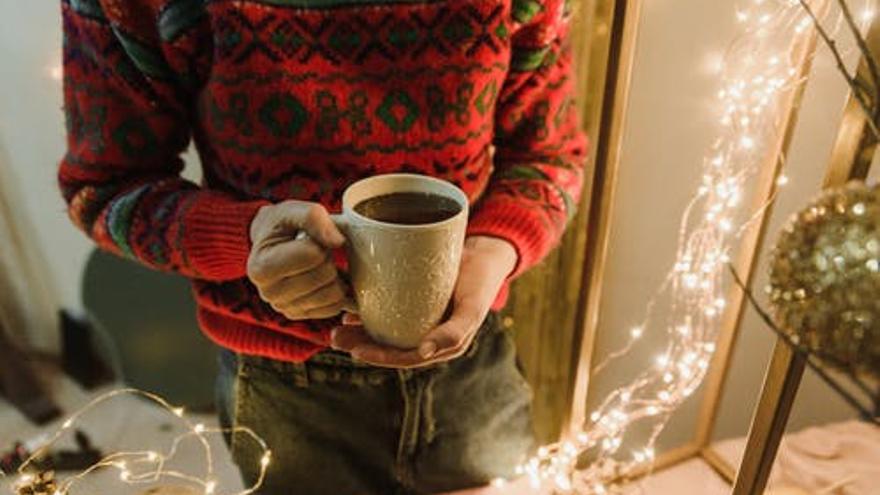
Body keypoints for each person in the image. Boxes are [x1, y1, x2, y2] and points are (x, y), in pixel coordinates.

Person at [58, 0, 586, 492]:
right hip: (281, 394)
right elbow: (104, 189)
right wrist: (246, 236)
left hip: (473, 369)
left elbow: (549, 157)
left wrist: (491, 253)